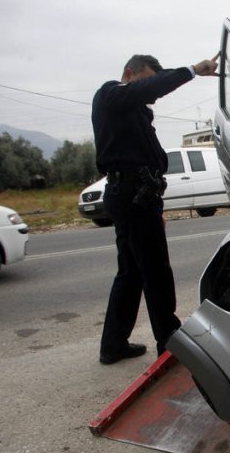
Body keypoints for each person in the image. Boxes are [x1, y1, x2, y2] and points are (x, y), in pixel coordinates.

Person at [92, 52, 219, 364]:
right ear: (130, 73)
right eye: (148, 78)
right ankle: (171, 344)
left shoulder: (131, 109)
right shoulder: (110, 94)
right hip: (130, 194)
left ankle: (113, 344)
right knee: (156, 272)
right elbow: (146, 90)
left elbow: (149, 153)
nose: (152, 89)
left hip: (137, 195)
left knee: (131, 272)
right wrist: (192, 70)